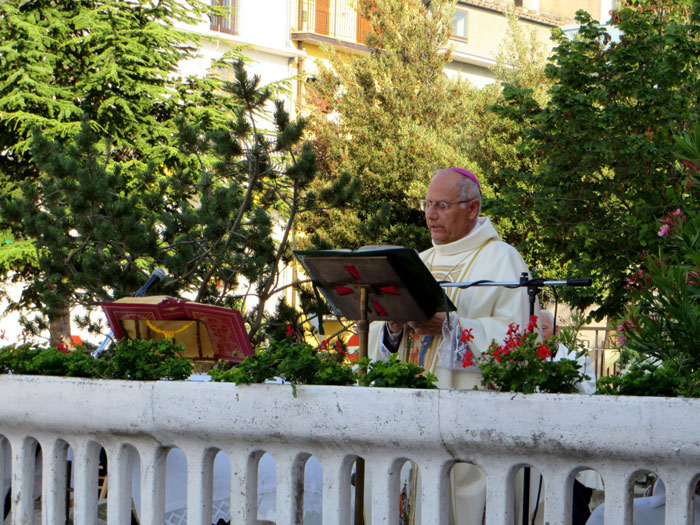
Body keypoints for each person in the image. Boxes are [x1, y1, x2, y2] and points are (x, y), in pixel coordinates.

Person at [367, 167, 533, 525]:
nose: (430, 214)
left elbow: (516, 342)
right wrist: (392, 325)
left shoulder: (503, 260)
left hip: (468, 431)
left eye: (441, 205)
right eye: (427, 204)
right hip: (410, 425)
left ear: (472, 208)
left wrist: (451, 325)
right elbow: (381, 346)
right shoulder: (419, 263)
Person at [539, 310, 597, 395]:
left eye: (543, 328)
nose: (538, 334)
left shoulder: (580, 360)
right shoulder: (525, 362)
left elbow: (588, 393)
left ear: (556, 331)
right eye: (533, 329)